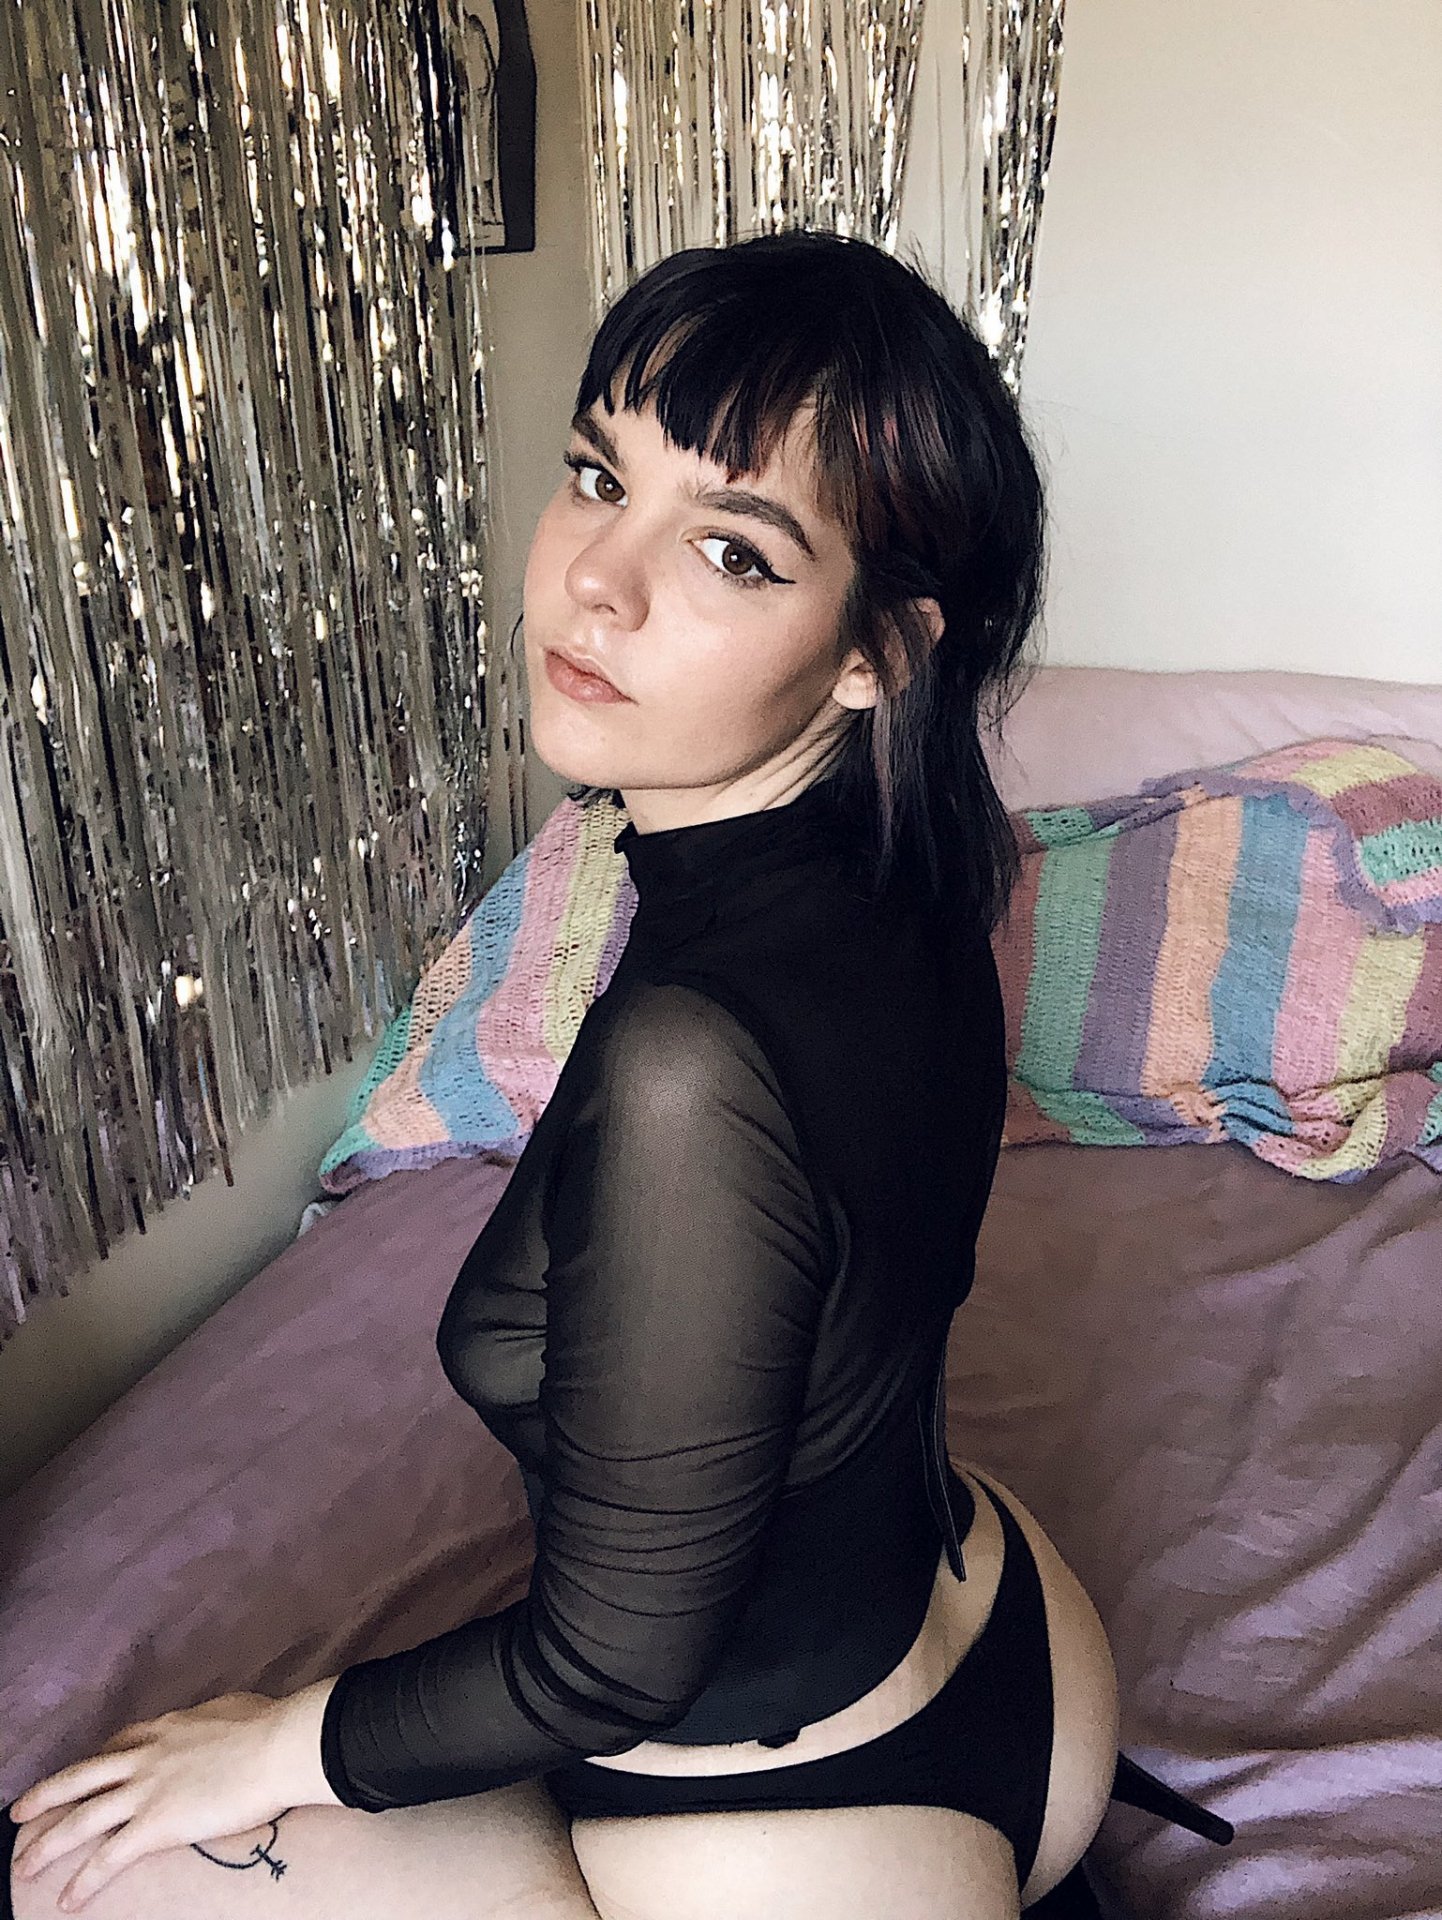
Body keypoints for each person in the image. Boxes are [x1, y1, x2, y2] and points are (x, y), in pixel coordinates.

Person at [7, 229, 1226, 1920]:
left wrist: (275, 1743)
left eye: (732, 551)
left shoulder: (690, 1064)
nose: (597, 579)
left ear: (879, 649)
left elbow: (613, 1660)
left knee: (70, 1879)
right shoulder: (906, 873)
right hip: (1004, 1626)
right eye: (598, 477)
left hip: (794, 1836)